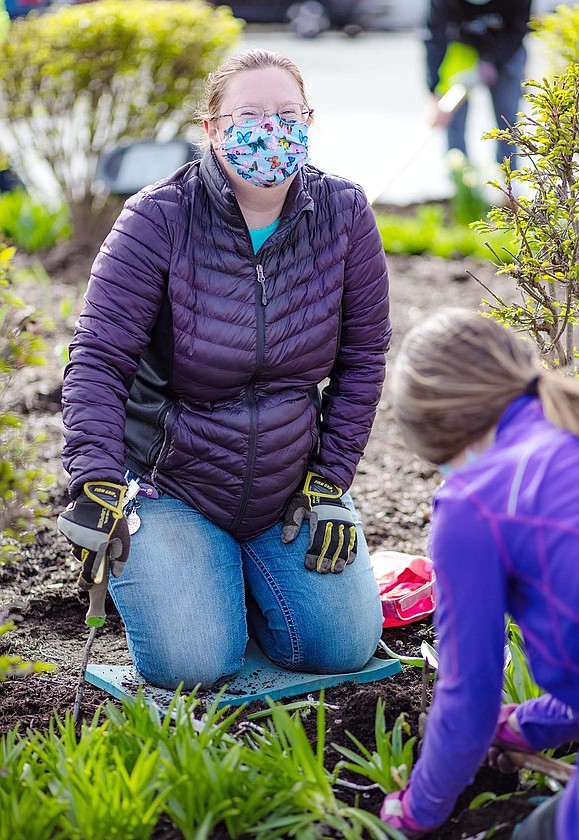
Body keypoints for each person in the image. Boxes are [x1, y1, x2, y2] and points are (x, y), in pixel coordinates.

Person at [57, 49, 391, 691]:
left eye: (287, 114)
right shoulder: (157, 218)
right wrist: (96, 476)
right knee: (193, 665)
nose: (272, 128)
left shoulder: (344, 215)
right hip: (172, 485)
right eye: (249, 114)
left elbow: (361, 360)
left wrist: (330, 479)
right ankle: (196, 575)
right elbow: (98, 359)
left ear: (309, 121)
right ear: (211, 128)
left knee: (344, 646)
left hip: (288, 487)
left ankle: (242, 580)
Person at [381, 308, 579, 839]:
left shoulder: (475, 502)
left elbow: (469, 700)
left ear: (439, 433)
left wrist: (416, 810)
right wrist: (526, 725)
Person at [426, 0, 532, 167]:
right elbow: (435, 37)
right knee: (454, 118)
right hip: (462, 49)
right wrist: (435, 89)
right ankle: (461, 176)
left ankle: (508, 180)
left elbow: (517, 30)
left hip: (505, 49)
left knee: (507, 116)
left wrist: (491, 61)